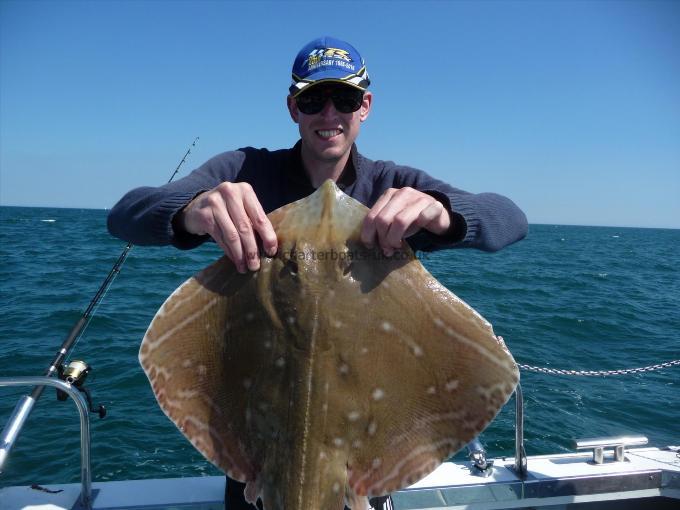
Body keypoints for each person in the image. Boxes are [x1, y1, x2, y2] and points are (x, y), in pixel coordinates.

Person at [108, 36, 528, 510]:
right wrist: (190, 210)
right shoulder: (245, 171)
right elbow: (125, 214)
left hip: (363, 476)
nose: (329, 114)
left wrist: (447, 215)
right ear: (293, 108)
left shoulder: (392, 186)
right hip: (260, 460)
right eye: (312, 100)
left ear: (365, 106)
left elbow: (510, 219)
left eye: (345, 99)